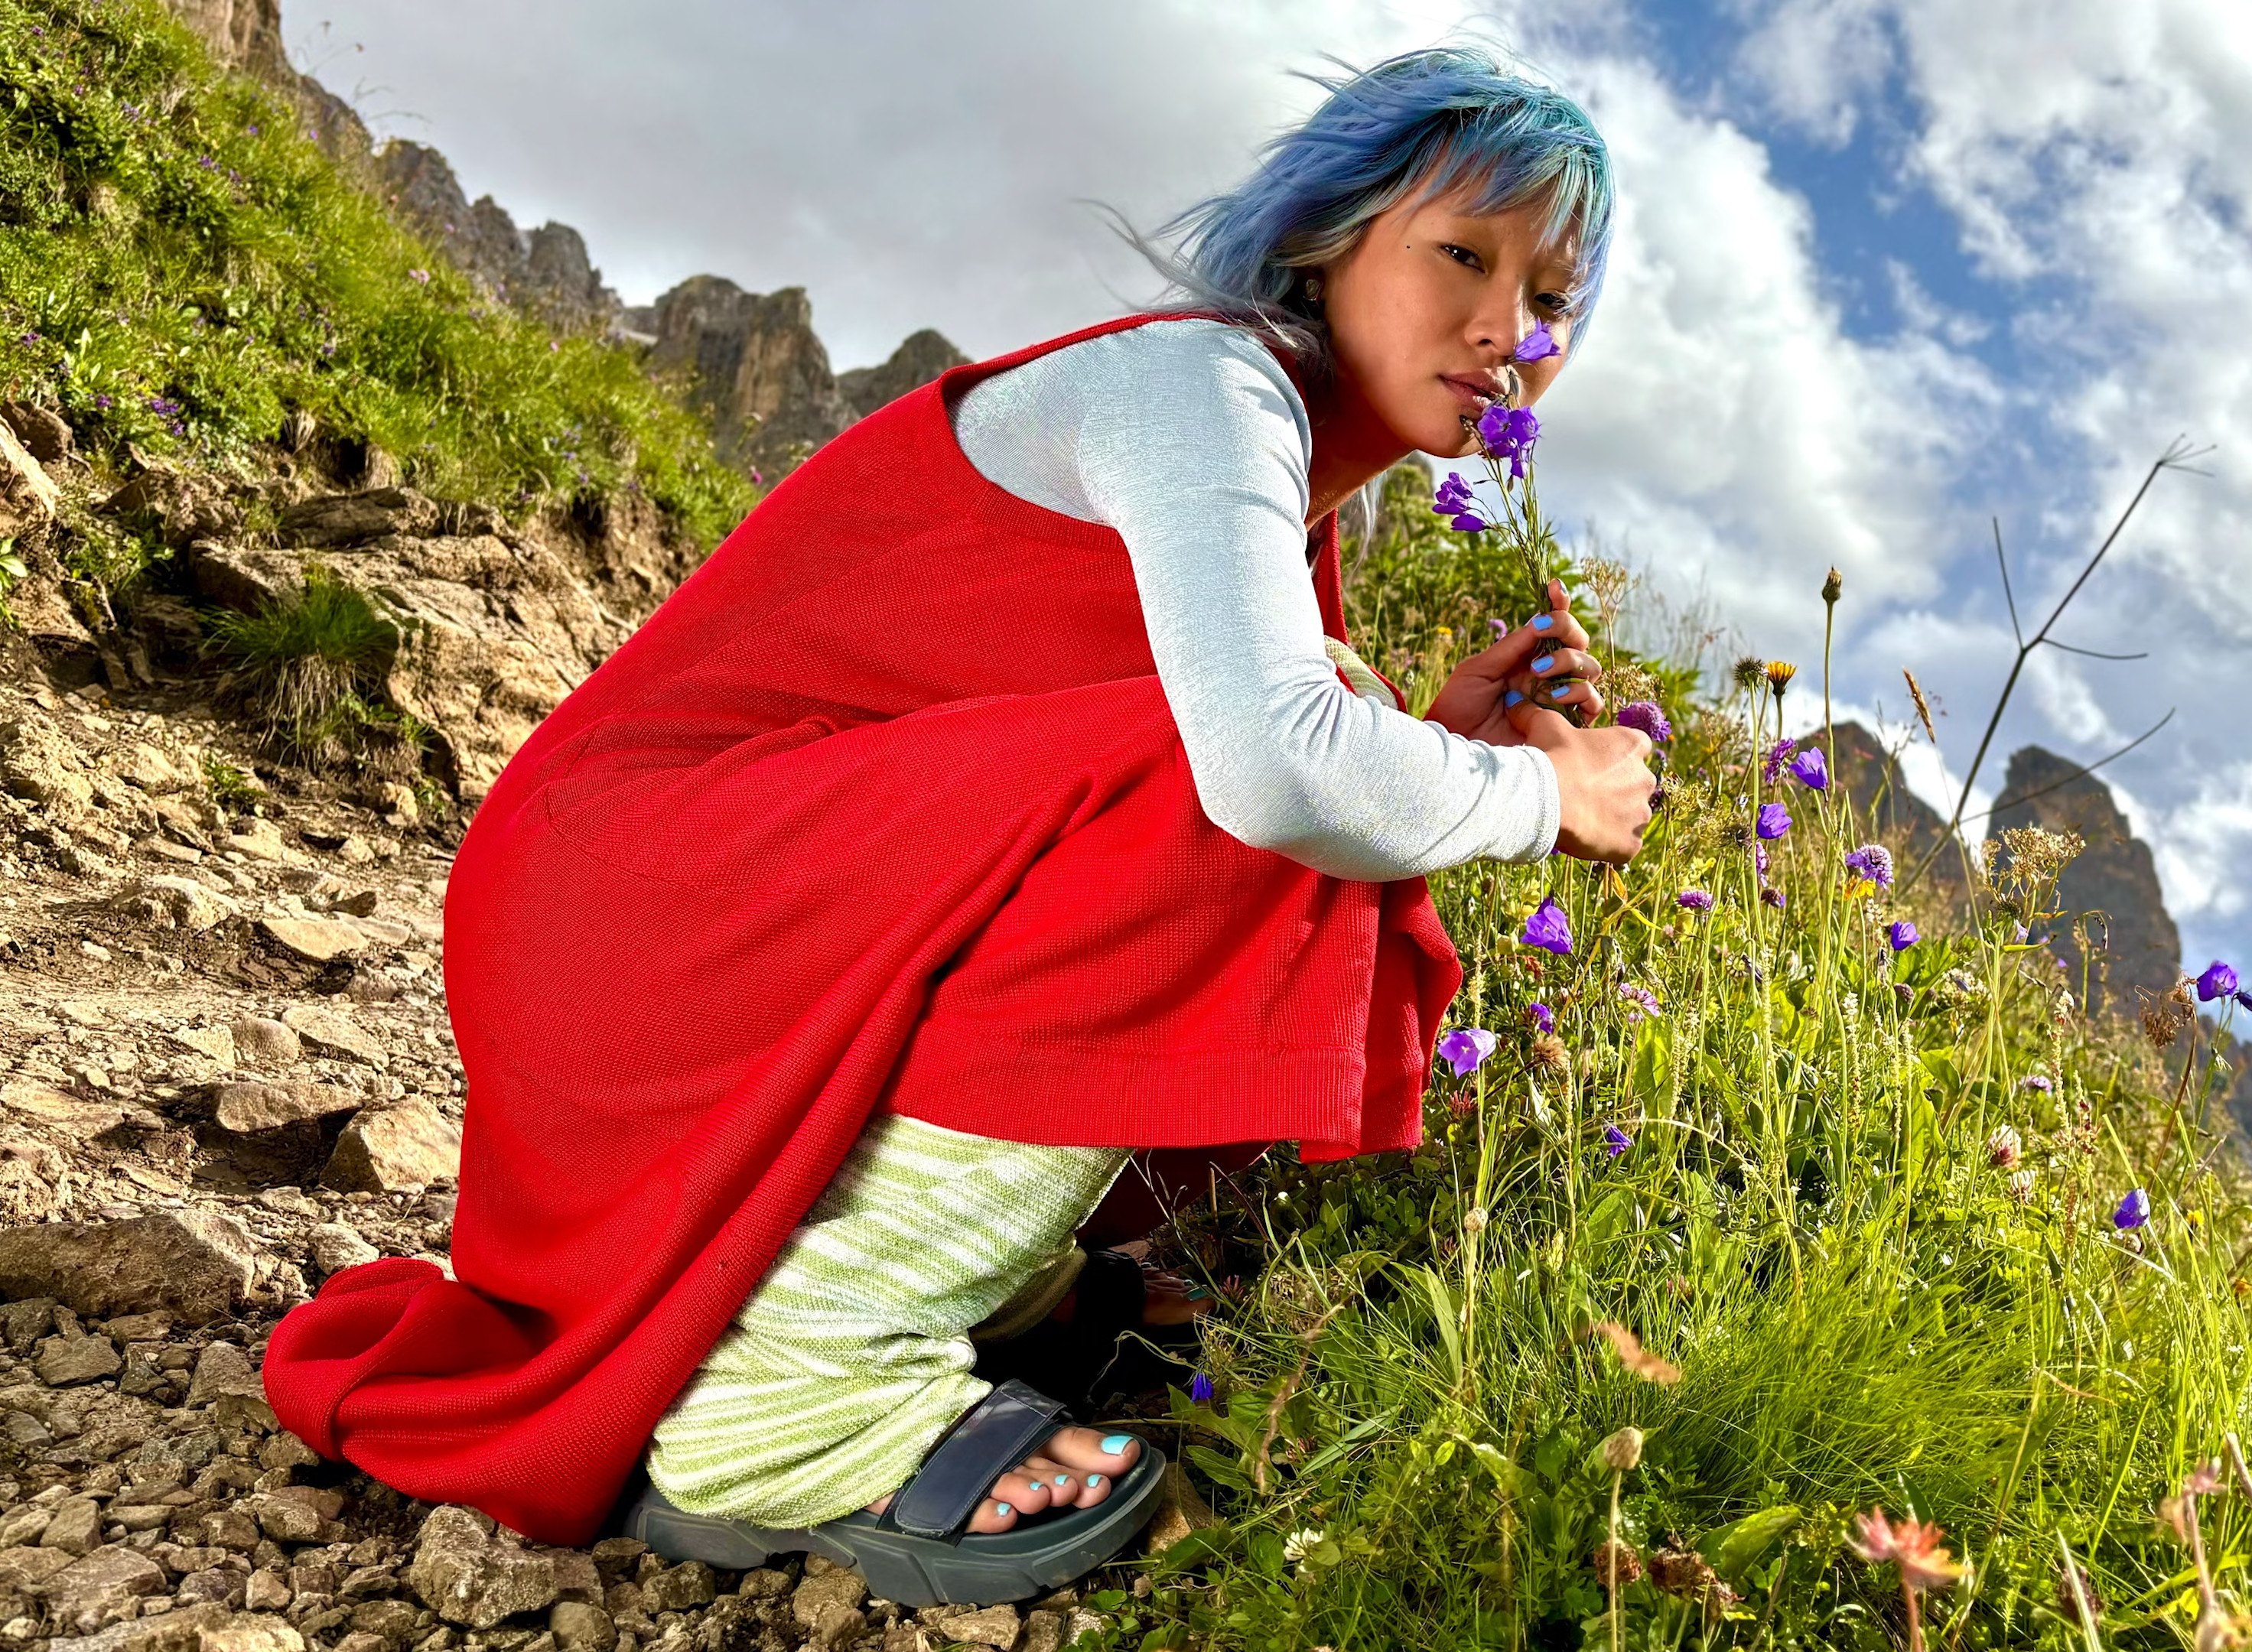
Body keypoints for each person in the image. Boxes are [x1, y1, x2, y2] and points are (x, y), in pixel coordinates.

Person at [262, 44, 1655, 1606]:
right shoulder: (1202, 387)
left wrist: (1435, 750)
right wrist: (1548, 790)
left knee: (1331, 732)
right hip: (625, 898)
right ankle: (800, 1389)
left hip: (690, 897)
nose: (1510, 328)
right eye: (1463, 255)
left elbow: (1201, 760)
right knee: (1290, 761)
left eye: (1554, 296)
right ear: (1331, 241)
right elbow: (1271, 777)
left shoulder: (1289, 474)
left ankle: (951, 1286)